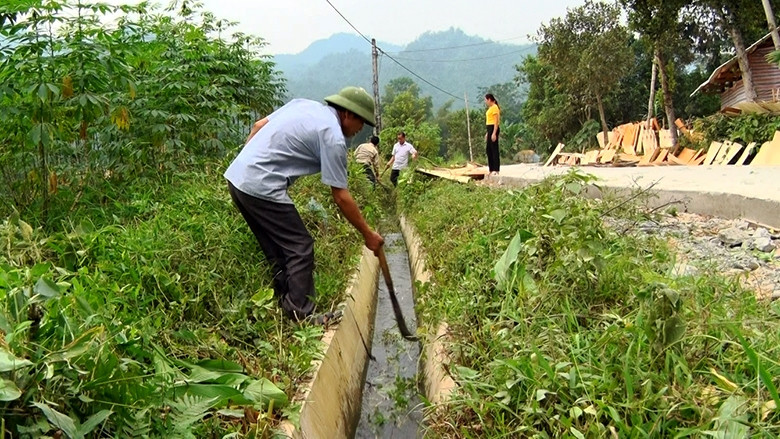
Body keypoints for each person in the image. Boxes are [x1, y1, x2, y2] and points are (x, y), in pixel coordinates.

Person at [224, 86, 384, 324]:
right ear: (348, 114)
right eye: (361, 122)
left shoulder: (303, 104)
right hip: (262, 185)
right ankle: (301, 315)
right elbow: (340, 196)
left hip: (237, 179)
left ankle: (285, 304)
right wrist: (368, 234)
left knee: (276, 247)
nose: (361, 129)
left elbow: (258, 126)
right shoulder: (332, 136)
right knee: (300, 246)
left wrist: (244, 163)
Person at [485, 93, 501, 176]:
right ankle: (491, 169)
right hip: (489, 129)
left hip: (493, 128)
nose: (485, 102)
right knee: (489, 149)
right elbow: (489, 121)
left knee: (494, 149)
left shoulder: (495, 107)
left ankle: (496, 169)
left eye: (486, 100)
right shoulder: (490, 108)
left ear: (489, 99)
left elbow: (495, 122)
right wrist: (488, 133)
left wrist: (494, 133)